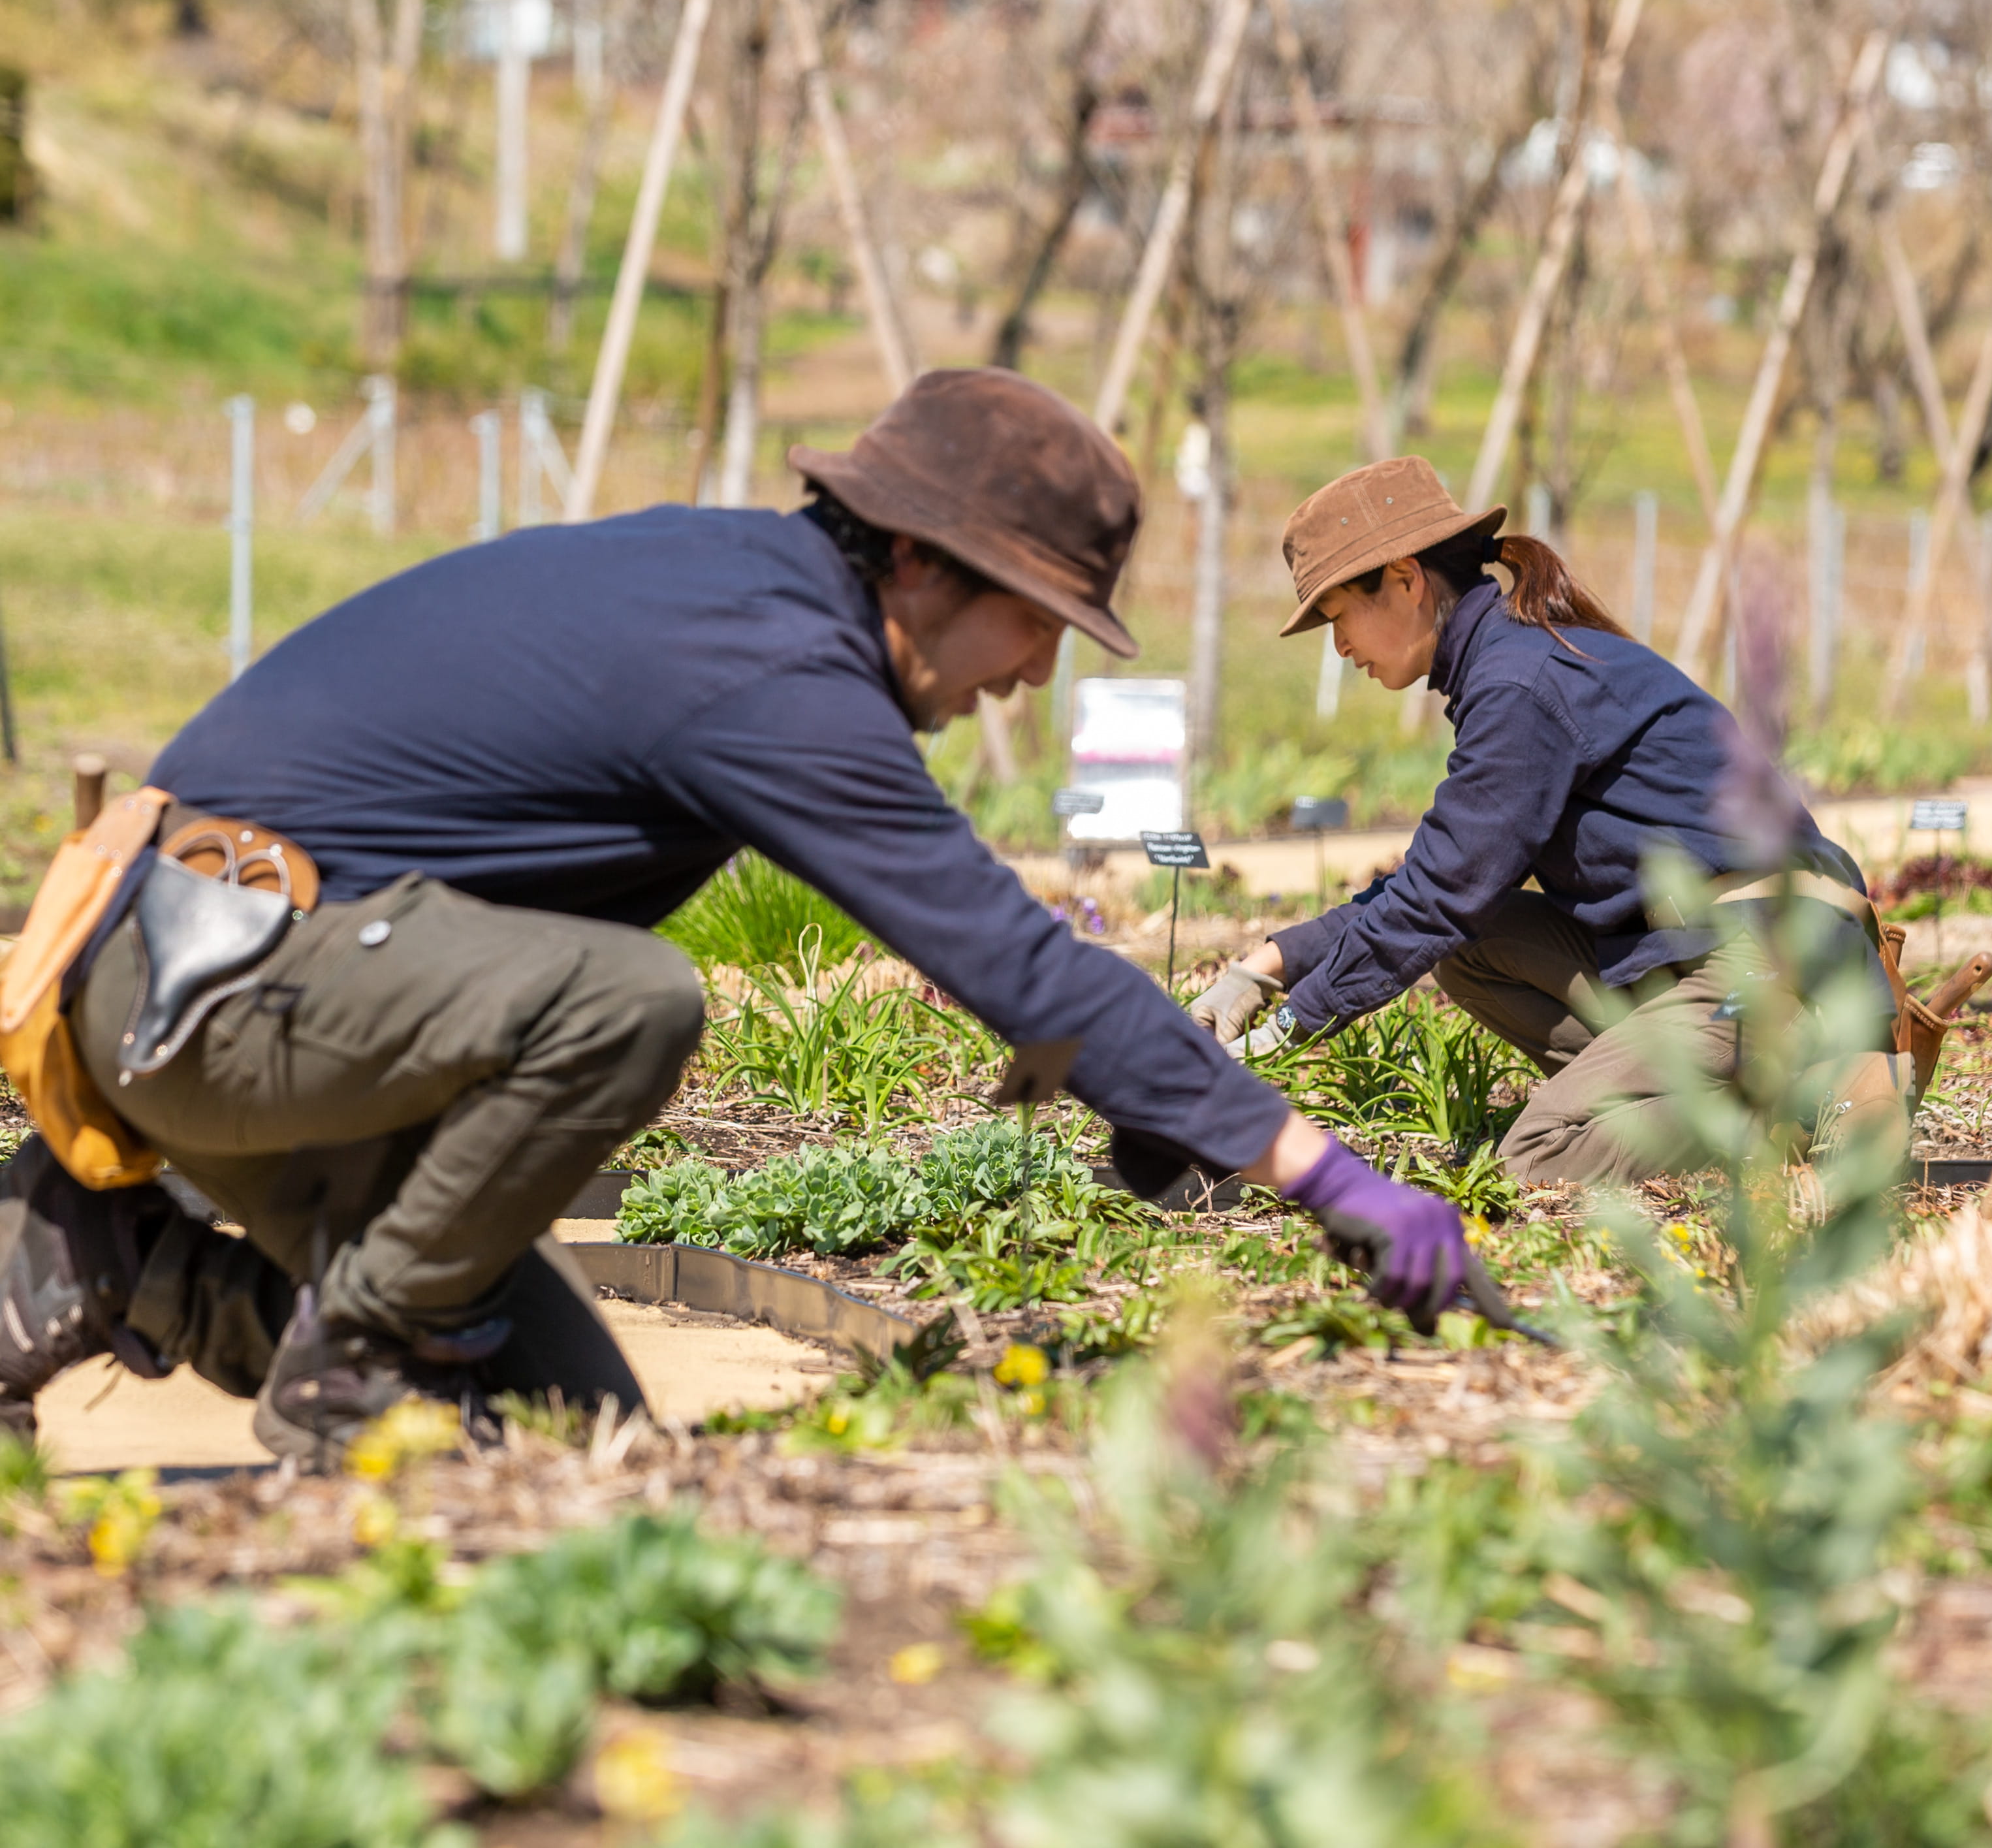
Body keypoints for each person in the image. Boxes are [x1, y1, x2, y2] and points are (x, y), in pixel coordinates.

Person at [0, 376, 1505, 1462]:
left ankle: (111, 1258)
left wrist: (1159, 1092)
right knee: (627, 1001)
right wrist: (1326, 1175)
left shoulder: (745, 601)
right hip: (220, 974)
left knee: (562, 1437)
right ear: (914, 560)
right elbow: (1007, 955)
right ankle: (362, 1348)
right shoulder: (768, 672)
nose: (1036, 673)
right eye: (1031, 617)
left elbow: (1024, 974)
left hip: (240, 970)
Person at [1187, 456, 1892, 1185]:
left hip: (1772, 955)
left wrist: (1280, 1033)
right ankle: (1706, 1089)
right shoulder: (1514, 661)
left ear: (1402, 578)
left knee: (1537, 1156)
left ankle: (1798, 1104)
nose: (1339, 648)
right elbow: (1436, 887)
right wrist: (1260, 968)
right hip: (1696, 946)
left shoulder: (1519, 684)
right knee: (1471, 943)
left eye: (1339, 617)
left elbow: (1432, 899)